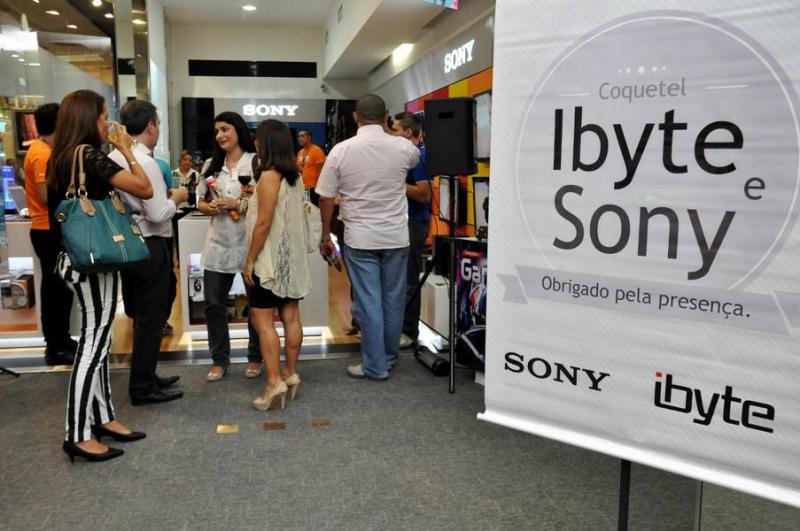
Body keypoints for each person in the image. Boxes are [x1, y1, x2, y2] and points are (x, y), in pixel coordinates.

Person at [47, 89, 152, 461]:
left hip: (80, 259)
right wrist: (125, 149)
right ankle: (77, 433)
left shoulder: (62, 156)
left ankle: (104, 416)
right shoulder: (89, 155)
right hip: (92, 263)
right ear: (89, 118)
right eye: (104, 115)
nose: (109, 122)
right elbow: (144, 188)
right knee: (93, 344)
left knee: (100, 339)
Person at [316, 94, 419, 381]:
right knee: (393, 299)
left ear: (355, 117)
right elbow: (414, 158)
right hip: (396, 236)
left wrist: (325, 235)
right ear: (387, 117)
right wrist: (390, 132)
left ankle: (375, 365)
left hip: (360, 238)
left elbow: (325, 198)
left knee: (368, 301)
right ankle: (389, 357)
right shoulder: (404, 148)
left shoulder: (340, 151)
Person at [109, 100, 187, 405]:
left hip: (128, 244)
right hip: (151, 244)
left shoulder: (113, 157)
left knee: (142, 317)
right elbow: (158, 213)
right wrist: (176, 197)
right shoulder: (146, 162)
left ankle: (147, 376)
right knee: (151, 319)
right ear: (151, 125)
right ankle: (142, 385)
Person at [244, 119, 310, 411]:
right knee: (291, 316)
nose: (255, 143)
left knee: (262, 321)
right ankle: (290, 373)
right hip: (291, 261)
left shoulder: (269, 176)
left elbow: (264, 223)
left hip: (269, 261)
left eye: (258, 138)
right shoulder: (295, 176)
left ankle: (273, 382)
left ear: (266, 143)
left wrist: (250, 259)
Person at [196, 111, 262, 381]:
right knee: (214, 305)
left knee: (257, 305)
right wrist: (209, 207)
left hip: (251, 245)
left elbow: (268, 200)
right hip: (218, 244)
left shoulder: (256, 162)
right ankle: (219, 359)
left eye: (225, 129)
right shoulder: (211, 166)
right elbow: (199, 201)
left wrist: (240, 203)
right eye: (217, 131)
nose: (220, 135)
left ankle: (255, 357)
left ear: (238, 130)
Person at [23, 102, 77, 366]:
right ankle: (55, 345)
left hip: (51, 228)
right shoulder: (42, 154)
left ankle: (62, 340)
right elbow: (46, 196)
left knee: (61, 288)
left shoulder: (45, 150)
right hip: (47, 229)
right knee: (54, 290)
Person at [391, 112, 431, 349]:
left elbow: (424, 194)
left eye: (396, 129)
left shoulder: (419, 156)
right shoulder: (406, 155)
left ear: (408, 132)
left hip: (414, 223)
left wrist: (395, 181)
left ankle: (408, 332)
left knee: (408, 280)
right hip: (403, 222)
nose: (392, 134)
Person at [296, 129, 325, 206]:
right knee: (304, 209)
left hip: (313, 188)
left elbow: (321, 171)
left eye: (302, 136)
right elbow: (300, 168)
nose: (299, 138)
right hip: (302, 188)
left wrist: (318, 188)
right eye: (299, 136)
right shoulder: (300, 152)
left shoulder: (317, 151)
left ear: (309, 138)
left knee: (313, 210)